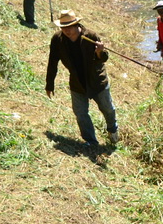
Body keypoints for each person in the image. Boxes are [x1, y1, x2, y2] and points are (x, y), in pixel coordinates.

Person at [45, 10, 119, 148]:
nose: (66, 30)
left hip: (97, 80)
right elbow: (52, 62)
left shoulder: (90, 36)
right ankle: (91, 141)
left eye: (69, 27)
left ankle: (112, 130)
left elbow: (103, 58)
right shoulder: (57, 39)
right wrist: (50, 84)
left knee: (108, 109)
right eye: (63, 27)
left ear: (77, 24)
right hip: (77, 82)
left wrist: (100, 52)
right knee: (80, 113)